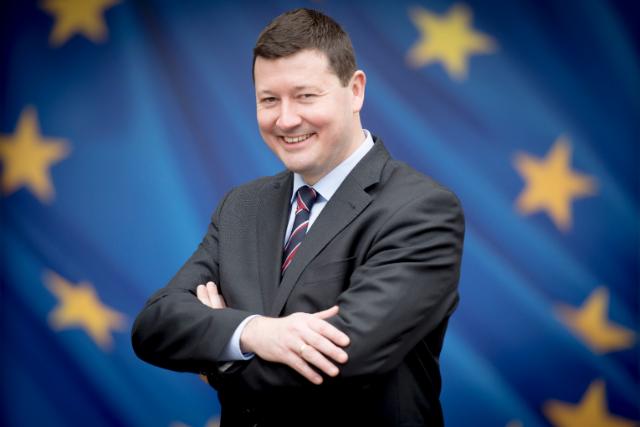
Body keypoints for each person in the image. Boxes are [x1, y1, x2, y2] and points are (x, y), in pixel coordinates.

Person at [131, 8, 464, 427]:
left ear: (355, 90)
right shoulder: (240, 207)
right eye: (269, 99)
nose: (286, 119)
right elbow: (155, 326)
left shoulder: (421, 210)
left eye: (306, 96)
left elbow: (340, 363)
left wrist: (219, 356)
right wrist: (254, 332)